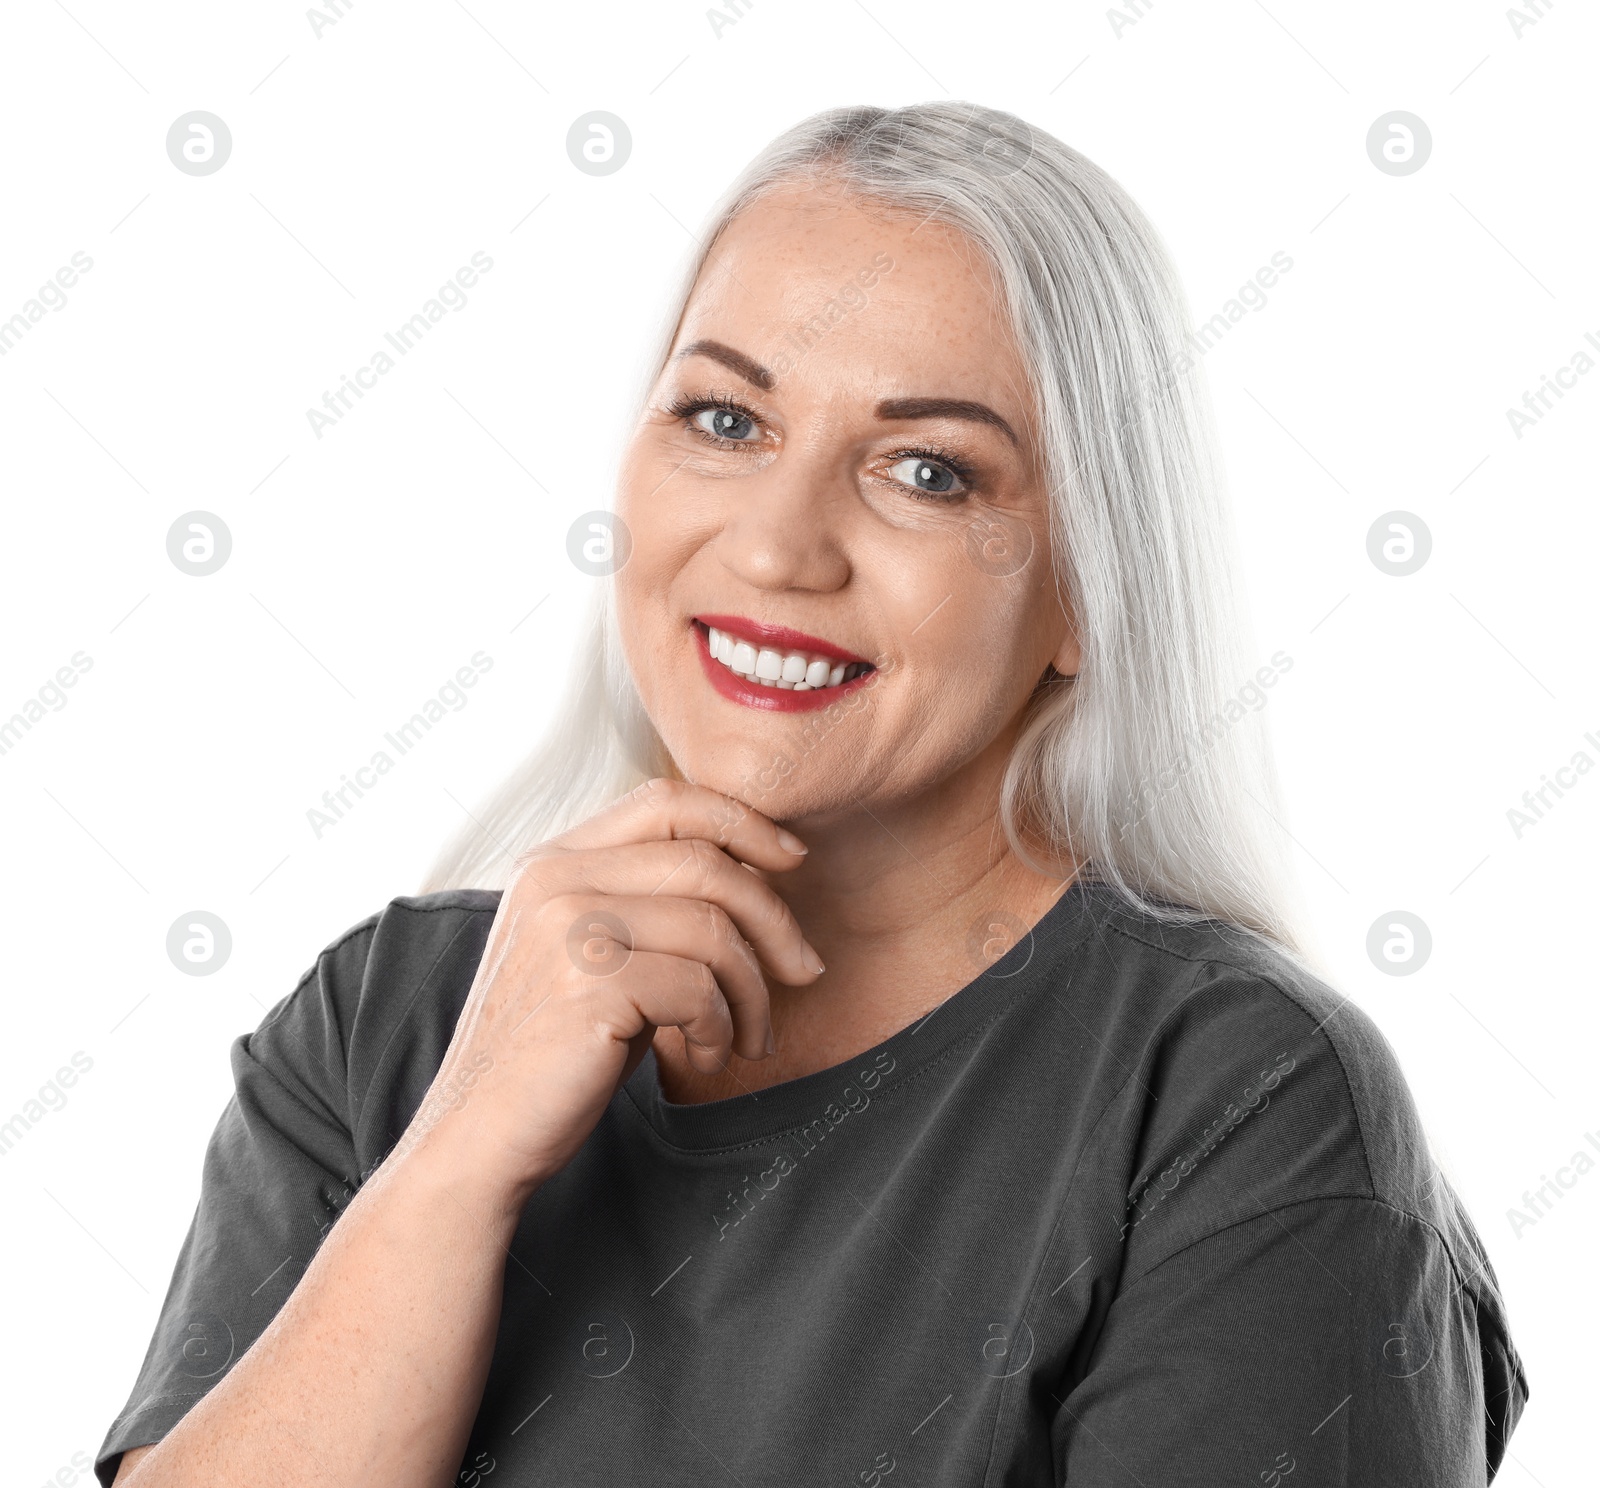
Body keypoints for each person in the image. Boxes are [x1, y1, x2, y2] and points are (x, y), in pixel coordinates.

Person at [98, 102, 1526, 1486]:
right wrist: (459, 1156)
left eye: (926, 470)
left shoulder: (1235, 1110)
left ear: (1091, 589)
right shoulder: (385, 1028)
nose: (779, 548)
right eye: (724, 420)